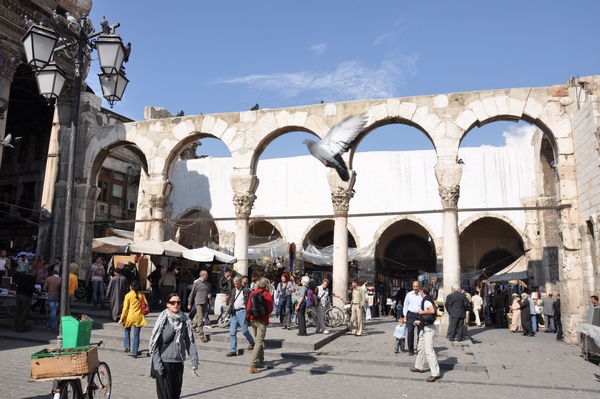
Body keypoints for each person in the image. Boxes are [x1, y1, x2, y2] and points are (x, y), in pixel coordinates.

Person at [149, 293, 198, 399]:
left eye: (178, 302)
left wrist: (194, 360)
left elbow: (190, 341)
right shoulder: (163, 320)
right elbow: (155, 345)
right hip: (164, 362)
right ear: (167, 304)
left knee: (175, 395)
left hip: (178, 362)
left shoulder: (184, 320)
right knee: (166, 396)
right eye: (172, 302)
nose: (176, 304)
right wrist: (158, 365)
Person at [410, 285, 441, 382]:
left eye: (420, 291)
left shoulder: (426, 300)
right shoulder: (428, 299)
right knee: (421, 347)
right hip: (424, 327)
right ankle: (419, 366)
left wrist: (422, 312)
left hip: (429, 328)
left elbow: (431, 310)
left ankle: (435, 373)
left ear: (422, 291)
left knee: (429, 350)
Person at [246, 277, 274, 374]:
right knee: (259, 341)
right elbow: (270, 309)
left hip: (253, 319)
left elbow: (248, 307)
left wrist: (248, 318)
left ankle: (261, 359)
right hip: (262, 320)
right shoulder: (266, 294)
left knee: (258, 340)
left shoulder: (253, 293)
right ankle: (252, 365)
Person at [226, 276, 255, 357]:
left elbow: (249, 301)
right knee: (232, 332)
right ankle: (233, 350)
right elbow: (231, 299)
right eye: (234, 284)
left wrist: (249, 312)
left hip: (242, 311)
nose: (236, 285)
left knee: (245, 330)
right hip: (234, 312)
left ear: (240, 282)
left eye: (237, 284)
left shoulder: (246, 291)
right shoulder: (233, 291)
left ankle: (252, 342)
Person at [118, 281, 147, 358]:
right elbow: (146, 304)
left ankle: (127, 346)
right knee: (136, 335)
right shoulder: (141, 295)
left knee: (127, 330)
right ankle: (135, 353)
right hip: (138, 317)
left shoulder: (128, 295)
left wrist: (121, 318)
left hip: (129, 316)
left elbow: (125, 308)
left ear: (131, 287)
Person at [188, 270, 211, 343]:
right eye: (206, 275)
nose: (207, 276)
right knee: (200, 318)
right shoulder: (197, 283)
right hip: (198, 302)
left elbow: (207, 291)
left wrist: (208, 294)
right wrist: (189, 303)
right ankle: (201, 335)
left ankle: (192, 327)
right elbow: (192, 294)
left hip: (205, 302)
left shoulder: (207, 284)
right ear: (202, 275)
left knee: (199, 317)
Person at [14, 267, 37, 332]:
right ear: (33, 273)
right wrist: (36, 291)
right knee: (24, 312)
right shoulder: (32, 278)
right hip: (26, 296)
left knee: (18, 312)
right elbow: (31, 288)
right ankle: (20, 328)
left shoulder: (22, 276)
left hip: (18, 294)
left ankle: (15, 327)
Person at [403, 281, 422, 355]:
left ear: (419, 286)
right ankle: (410, 349)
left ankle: (419, 348)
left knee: (420, 333)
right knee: (410, 332)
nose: (415, 288)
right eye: (414, 286)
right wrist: (405, 315)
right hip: (411, 314)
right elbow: (406, 305)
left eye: (416, 286)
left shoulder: (422, 294)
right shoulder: (409, 294)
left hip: (419, 315)